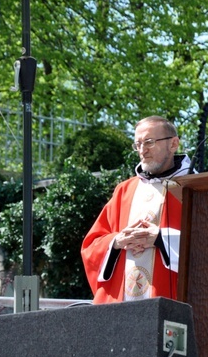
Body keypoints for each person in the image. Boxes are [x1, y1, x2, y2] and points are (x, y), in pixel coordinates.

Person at [81, 116, 193, 304]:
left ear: (173, 144)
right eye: (138, 144)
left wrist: (160, 239)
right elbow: (91, 245)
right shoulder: (125, 190)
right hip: (121, 306)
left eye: (149, 142)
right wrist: (117, 241)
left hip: (169, 300)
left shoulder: (195, 186)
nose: (143, 150)